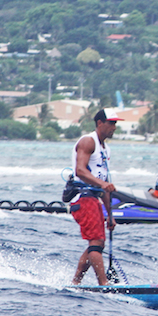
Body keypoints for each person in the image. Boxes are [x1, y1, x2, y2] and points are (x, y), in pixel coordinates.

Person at [70, 108, 121, 285]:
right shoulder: (88, 141)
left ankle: (75, 283)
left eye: (116, 124)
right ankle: (104, 284)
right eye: (111, 123)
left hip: (94, 198)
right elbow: (80, 170)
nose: (114, 127)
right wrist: (102, 184)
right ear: (100, 123)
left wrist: (110, 215)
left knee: (97, 244)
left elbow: (104, 183)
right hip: (82, 197)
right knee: (96, 241)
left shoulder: (106, 150)